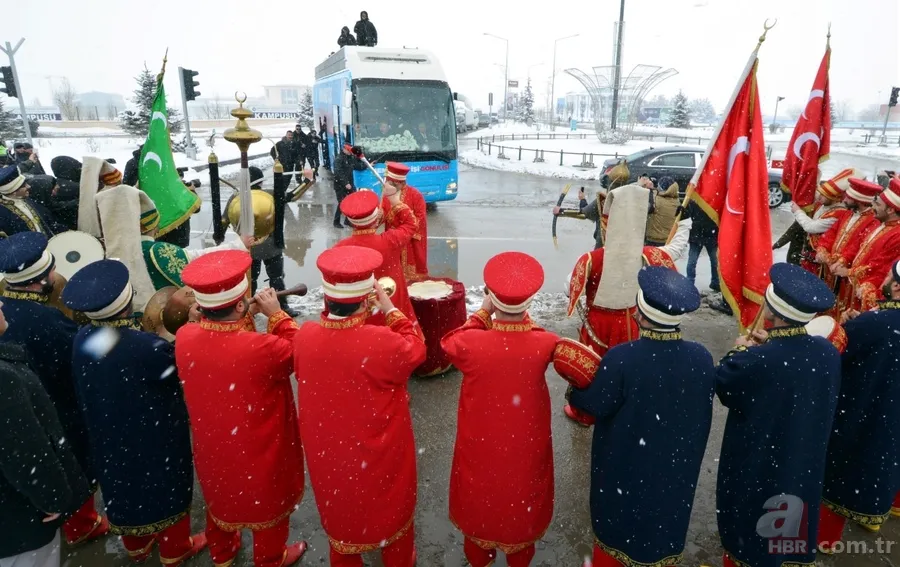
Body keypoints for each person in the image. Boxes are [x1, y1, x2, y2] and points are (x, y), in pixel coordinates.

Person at [441, 252, 594, 567]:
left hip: (481, 439)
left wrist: (483, 313)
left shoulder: (472, 344)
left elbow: (451, 342)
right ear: (529, 302)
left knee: (479, 499)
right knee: (521, 499)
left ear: (493, 300)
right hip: (525, 441)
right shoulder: (544, 342)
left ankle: (480, 555)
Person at [568, 266, 715, 567]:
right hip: (675, 470)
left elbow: (594, 406)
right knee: (663, 528)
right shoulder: (701, 357)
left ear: (640, 314)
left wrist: (574, 388)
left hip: (625, 466)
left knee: (618, 531)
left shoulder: (622, 358)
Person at [62, 259, 206, 564]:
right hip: (154, 435)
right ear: (128, 303)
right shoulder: (146, 347)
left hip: (108, 434)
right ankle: (175, 548)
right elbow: (181, 370)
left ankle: (137, 547)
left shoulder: (81, 340)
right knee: (165, 485)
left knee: (122, 484)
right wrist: (192, 327)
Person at [292, 245, 425, 567]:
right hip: (381, 449)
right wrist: (392, 310)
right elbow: (417, 348)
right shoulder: (382, 342)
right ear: (367, 301)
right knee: (391, 509)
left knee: (342, 514)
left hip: (331, 454)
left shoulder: (305, 337)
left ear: (326, 298)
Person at [176, 251, 307, 567]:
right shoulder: (263, 349)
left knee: (221, 494)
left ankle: (222, 553)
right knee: (267, 499)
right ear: (239, 305)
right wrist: (276, 315)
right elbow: (303, 351)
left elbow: (215, 334)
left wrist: (204, 318)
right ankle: (270, 558)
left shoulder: (185, 336)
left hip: (214, 444)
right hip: (260, 443)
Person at [715, 263, 840, 567]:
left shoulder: (758, 359)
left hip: (761, 455)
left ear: (771, 312)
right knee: (791, 516)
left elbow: (725, 385)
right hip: (802, 455)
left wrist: (739, 351)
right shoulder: (827, 353)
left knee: (751, 519)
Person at [0, 232, 109, 547]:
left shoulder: (7, 307)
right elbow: (83, 354)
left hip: (26, 401)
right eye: (51, 272)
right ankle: (82, 524)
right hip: (57, 404)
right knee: (73, 458)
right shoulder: (47, 321)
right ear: (40, 281)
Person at [563, 163, 692, 426]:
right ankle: (624, 409)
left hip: (597, 326)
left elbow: (569, 289)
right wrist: (686, 221)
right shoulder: (648, 255)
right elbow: (674, 250)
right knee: (629, 370)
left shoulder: (592, 258)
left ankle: (587, 412)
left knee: (595, 370)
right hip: (633, 322)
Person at [0, 300, 91, 567]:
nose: (1, 302)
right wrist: (55, 499)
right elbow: (24, 453)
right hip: (20, 525)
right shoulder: (4, 379)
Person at [818, 259, 900, 551]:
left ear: (897, 288)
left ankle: (824, 540)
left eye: (889, 274)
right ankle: (874, 514)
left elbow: (836, 355)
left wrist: (851, 328)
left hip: (865, 406)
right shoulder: (875, 321)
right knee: (883, 464)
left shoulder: (875, 323)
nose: (884, 276)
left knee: (843, 471)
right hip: (893, 412)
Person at [334, 189, 420, 330]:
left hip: (358, 312)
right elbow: (411, 224)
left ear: (350, 221)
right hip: (391, 305)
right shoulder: (389, 241)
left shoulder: (340, 248)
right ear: (376, 218)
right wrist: (396, 202)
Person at [222, 166, 298, 316]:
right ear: (261, 180)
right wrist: (308, 180)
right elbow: (292, 196)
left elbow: (224, 219)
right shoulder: (269, 194)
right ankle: (282, 307)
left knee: (251, 279)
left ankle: (247, 308)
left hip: (249, 246)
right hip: (272, 244)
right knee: (276, 278)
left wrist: (219, 236)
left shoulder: (236, 197)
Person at [814, 177, 882, 316]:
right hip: (830, 270)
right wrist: (822, 250)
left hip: (845, 276)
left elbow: (858, 246)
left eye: (848, 197)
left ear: (858, 200)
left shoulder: (872, 221)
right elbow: (830, 234)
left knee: (840, 308)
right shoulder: (847, 213)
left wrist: (841, 261)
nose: (844, 199)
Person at [841, 177, 900, 314]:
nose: (872, 206)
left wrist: (850, 272)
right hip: (854, 286)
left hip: (866, 290)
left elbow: (882, 267)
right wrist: (842, 259)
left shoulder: (897, 235)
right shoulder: (881, 224)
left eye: (878, 204)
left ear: (890, 210)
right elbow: (858, 245)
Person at [789, 168, 854, 275]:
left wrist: (797, 211)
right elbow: (814, 192)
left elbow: (810, 227)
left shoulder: (838, 215)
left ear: (836, 199)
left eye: (823, 195)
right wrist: (814, 176)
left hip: (818, 262)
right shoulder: (825, 203)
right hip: (808, 255)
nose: (819, 196)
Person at [380, 162, 428, 281]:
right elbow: (382, 216)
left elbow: (419, 220)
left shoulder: (415, 195)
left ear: (400, 183)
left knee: (412, 282)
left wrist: (403, 229)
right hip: (392, 242)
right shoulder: (386, 195)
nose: (388, 185)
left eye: (391, 183)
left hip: (410, 243)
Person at [0, 166, 68, 237]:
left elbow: (47, 222)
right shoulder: (3, 213)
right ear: (13, 191)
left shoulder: (28, 199)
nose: (28, 186)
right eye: (23, 186)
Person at [685, 200, 720, 292]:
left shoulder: (712, 199)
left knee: (714, 261)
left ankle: (715, 283)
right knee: (692, 261)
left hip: (709, 234)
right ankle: (689, 284)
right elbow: (687, 215)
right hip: (699, 234)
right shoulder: (694, 200)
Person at [332, 143, 366, 228]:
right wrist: (345, 183)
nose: (349, 152)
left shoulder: (350, 158)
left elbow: (357, 166)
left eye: (350, 150)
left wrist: (368, 165)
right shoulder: (338, 159)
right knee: (342, 203)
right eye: (348, 150)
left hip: (350, 184)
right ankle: (336, 222)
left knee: (352, 202)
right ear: (343, 149)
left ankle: (348, 221)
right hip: (340, 185)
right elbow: (338, 173)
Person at [644, 176, 680, 246]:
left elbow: (646, 207)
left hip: (654, 240)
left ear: (660, 188)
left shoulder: (657, 201)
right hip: (670, 240)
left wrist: (649, 190)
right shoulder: (676, 201)